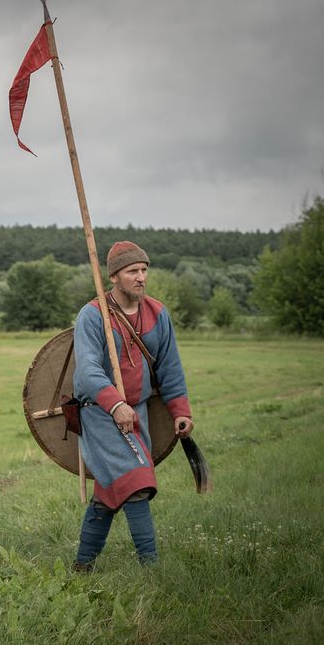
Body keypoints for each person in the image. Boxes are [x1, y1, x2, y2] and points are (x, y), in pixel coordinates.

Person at [72, 241, 194, 571]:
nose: (141, 278)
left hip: (136, 413)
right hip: (99, 413)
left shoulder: (157, 313)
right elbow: (88, 370)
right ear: (113, 276)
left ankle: (82, 567)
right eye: (132, 272)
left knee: (111, 492)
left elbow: (170, 366)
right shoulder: (92, 314)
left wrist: (180, 410)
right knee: (137, 482)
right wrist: (114, 405)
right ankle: (151, 569)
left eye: (144, 271)